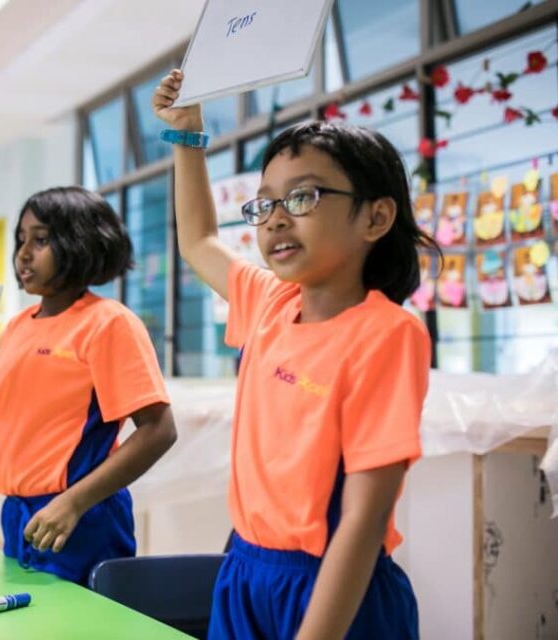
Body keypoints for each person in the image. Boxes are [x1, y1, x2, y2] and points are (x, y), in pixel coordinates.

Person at [154, 69, 438, 639]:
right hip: (245, 571)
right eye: (265, 205)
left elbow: (363, 518)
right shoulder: (269, 303)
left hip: (330, 591)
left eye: (303, 196)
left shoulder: (385, 334)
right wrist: (187, 134)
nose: (277, 218)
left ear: (376, 217)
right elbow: (197, 242)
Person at [0, 186, 178, 584]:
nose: (23, 253)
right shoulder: (17, 329)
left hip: (80, 516)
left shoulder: (109, 323)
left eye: (41, 240)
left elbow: (159, 429)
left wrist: (73, 503)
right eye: (21, 240)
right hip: (19, 513)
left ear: (81, 242)